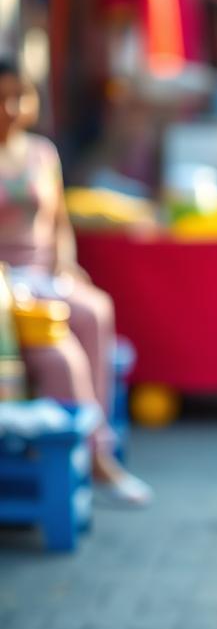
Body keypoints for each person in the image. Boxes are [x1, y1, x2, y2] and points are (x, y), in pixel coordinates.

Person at [0, 59, 153, 506]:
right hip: (7, 285)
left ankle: (96, 444)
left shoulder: (41, 154)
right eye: (2, 97)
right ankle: (96, 456)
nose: (10, 107)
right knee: (63, 353)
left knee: (95, 308)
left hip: (45, 274)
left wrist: (65, 265)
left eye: (19, 96)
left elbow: (59, 223)